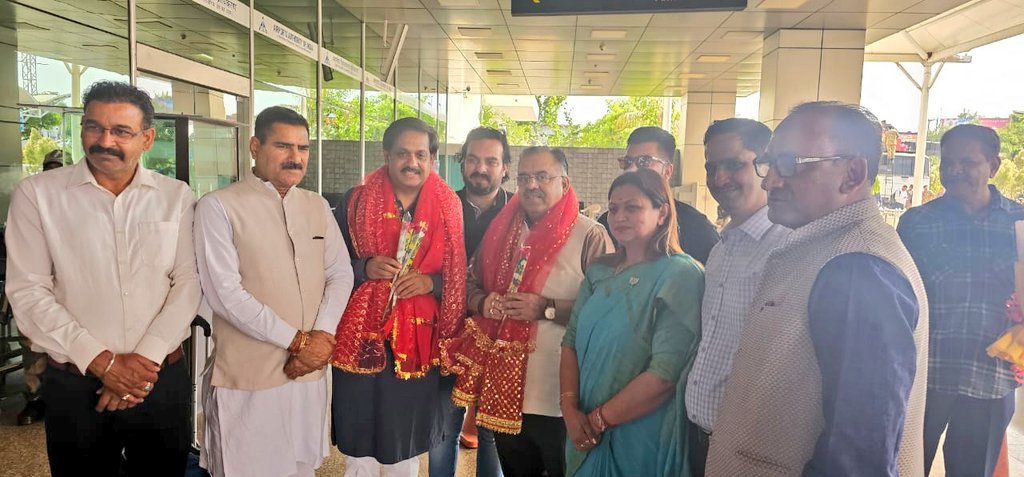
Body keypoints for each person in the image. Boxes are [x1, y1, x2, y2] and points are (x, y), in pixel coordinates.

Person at [706, 101, 928, 476]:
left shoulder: (859, 268)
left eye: (791, 165)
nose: (770, 180)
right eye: (771, 164)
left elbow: (858, 458)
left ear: (851, 173)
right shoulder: (820, 248)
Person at [5, 81, 201, 476]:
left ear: (147, 138)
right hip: (76, 385)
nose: (104, 140)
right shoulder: (37, 196)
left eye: (121, 131)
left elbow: (190, 281)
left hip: (159, 381)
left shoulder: (175, 196)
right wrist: (102, 363)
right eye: (94, 127)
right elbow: (28, 291)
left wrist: (142, 361)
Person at [194, 106, 355, 477]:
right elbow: (225, 294)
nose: (295, 158)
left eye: (303, 148)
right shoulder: (219, 206)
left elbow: (339, 273)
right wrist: (298, 342)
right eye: (283, 146)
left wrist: (322, 336)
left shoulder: (315, 205)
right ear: (255, 145)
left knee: (301, 468)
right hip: (247, 379)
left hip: (307, 376)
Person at [442, 147, 612, 477]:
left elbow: (607, 310)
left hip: (560, 398)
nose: (531, 185)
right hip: (505, 392)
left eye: (542, 177)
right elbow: (469, 283)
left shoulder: (589, 235)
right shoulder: (502, 231)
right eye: (524, 178)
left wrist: (546, 308)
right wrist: (483, 302)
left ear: (564, 183)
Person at [331, 117, 466, 477]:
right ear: (387, 155)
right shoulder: (355, 202)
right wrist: (364, 268)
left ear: (433, 158)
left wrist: (430, 284)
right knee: (359, 442)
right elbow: (330, 264)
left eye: (421, 154)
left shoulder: (450, 207)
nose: (412, 162)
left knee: (403, 446)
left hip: (419, 340)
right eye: (403, 153)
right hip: (364, 335)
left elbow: (457, 273)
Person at [897, 124, 1024, 477]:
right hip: (924, 374)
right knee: (903, 467)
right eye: (946, 163)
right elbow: (898, 297)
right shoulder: (917, 223)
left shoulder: (1020, 223)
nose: (953, 171)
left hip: (992, 376)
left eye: (967, 163)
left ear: (993, 166)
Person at [560, 168, 703, 477]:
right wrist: (570, 411)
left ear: (662, 212)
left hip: (639, 434)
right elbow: (570, 341)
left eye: (632, 207)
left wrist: (598, 421)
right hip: (582, 429)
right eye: (613, 209)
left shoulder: (680, 275)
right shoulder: (599, 272)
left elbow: (665, 374)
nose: (619, 216)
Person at [684, 118, 789, 475]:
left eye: (734, 164)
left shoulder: (785, 247)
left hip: (752, 448)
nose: (719, 179)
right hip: (703, 436)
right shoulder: (723, 247)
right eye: (712, 167)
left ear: (767, 166)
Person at [429, 127, 509, 477]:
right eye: (473, 159)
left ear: (505, 167)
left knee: (492, 430)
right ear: (461, 163)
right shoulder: (441, 208)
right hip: (446, 335)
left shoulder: (520, 215)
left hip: (499, 339)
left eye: (491, 161)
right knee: (444, 429)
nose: (481, 168)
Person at [597, 127, 719, 264]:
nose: (632, 169)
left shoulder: (696, 228)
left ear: (667, 171)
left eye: (644, 161)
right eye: (627, 162)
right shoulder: (606, 225)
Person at [13, 149, 65, 426]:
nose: (53, 172)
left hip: (67, 292)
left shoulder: (74, 200)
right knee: (33, 348)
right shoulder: (31, 198)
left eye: (58, 167)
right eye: (49, 167)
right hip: (36, 291)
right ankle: (34, 401)